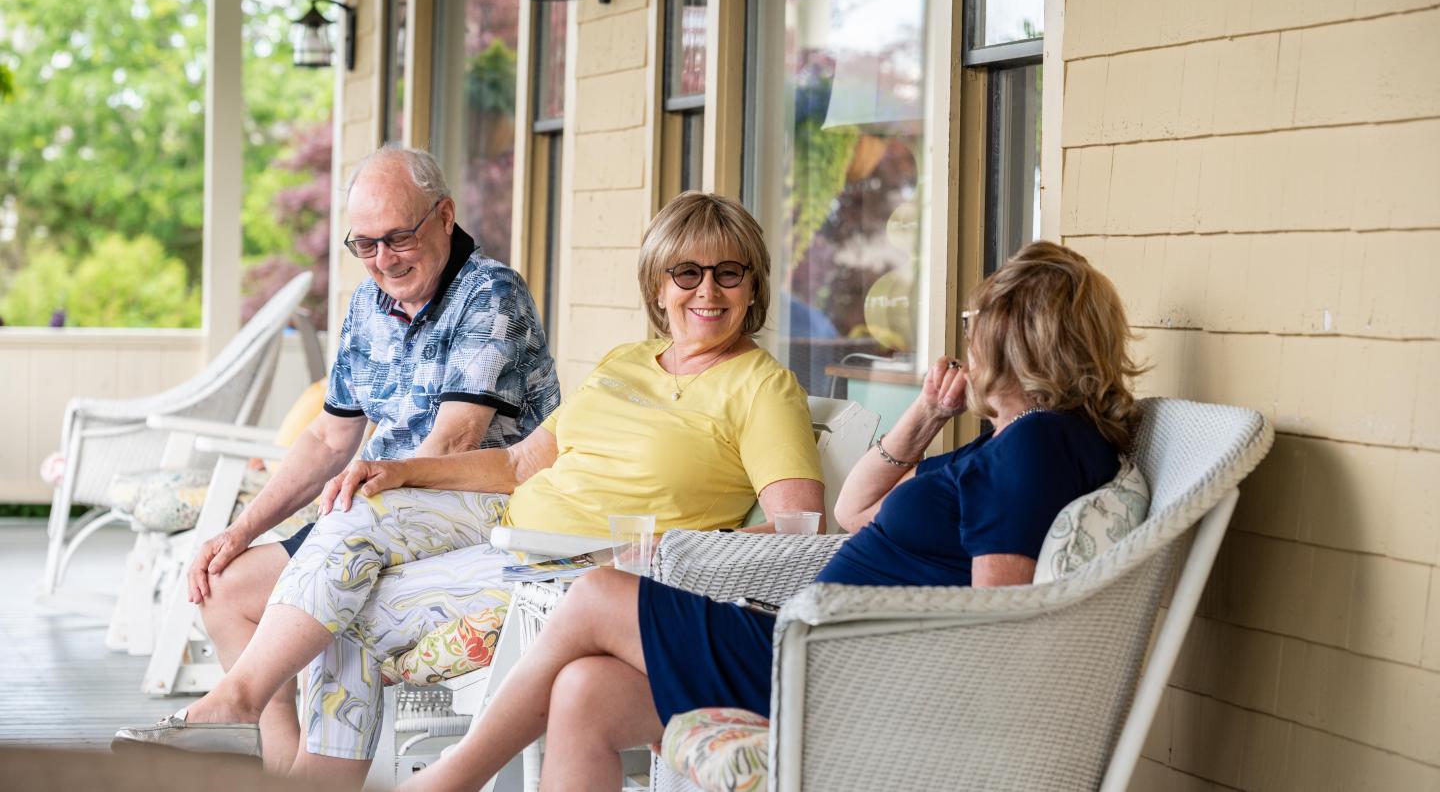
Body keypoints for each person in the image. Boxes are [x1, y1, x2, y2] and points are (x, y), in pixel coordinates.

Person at [116, 192, 825, 779]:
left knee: (343, 612)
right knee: (350, 549)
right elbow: (520, 464)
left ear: (754, 285)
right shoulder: (628, 361)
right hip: (505, 531)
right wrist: (398, 470)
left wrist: (671, 554)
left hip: (577, 570)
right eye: (687, 273)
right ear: (657, 284)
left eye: (729, 274)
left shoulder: (763, 389)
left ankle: (274, 729)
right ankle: (256, 711)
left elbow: (799, 534)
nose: (707, 291)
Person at [399, 239, 1144, 792]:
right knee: (585, 692)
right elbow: (856, 512)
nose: (969, 335)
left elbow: (999, 619)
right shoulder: (1020, 442)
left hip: (841, 667)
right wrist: (926, 414)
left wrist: (846, 641)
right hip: (821, 649)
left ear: (1010, 336)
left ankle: (450, 780)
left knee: (596, 598)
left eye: (977, 319)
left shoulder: (1037, 446)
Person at [112, 145, 561, 779]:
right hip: (372, 510)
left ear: (444, 216)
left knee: (342, 575)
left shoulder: (489, 294)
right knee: (226, 588)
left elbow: (455, 443)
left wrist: (364, 506)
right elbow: (329, 440)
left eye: (399, 238)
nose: (383, 261)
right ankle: (279, 766)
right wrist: (239, 531)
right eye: (366, 245)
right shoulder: (368, 306)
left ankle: (263, 723)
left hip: (481, 506)